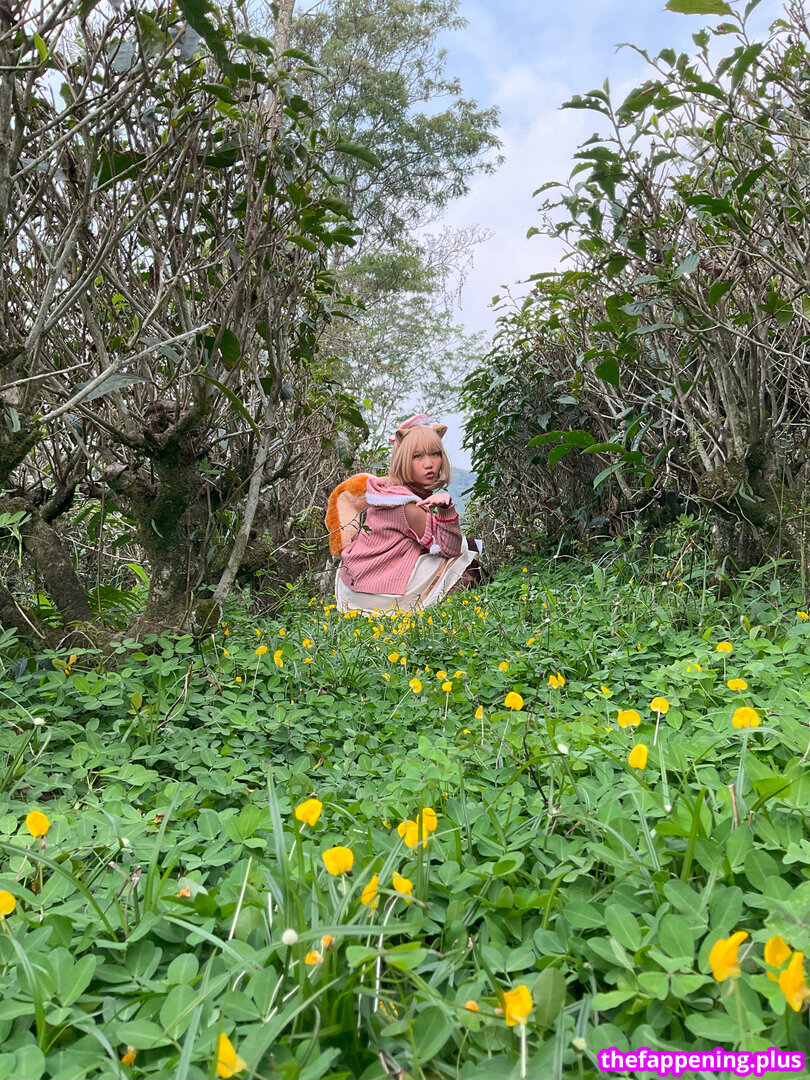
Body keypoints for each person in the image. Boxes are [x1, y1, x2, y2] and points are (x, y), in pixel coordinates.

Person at [335, 414, 483, 613]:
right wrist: (446, 509)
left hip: (355, 581)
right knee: (466, 564)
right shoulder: (407, 506)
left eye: (435, 454)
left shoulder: (388, 491)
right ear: (403, 460)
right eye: (417, 456)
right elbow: (450, 549)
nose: (429, 464)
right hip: (373, 593)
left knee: (466, 545)